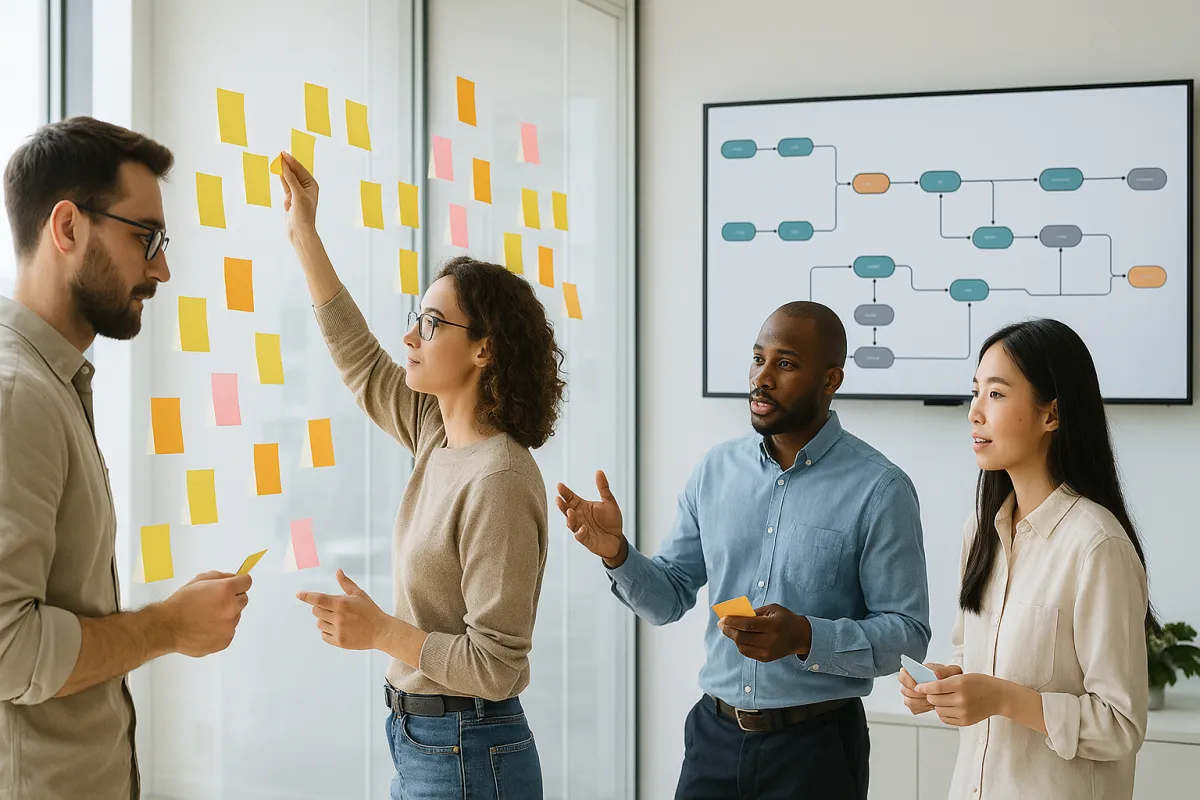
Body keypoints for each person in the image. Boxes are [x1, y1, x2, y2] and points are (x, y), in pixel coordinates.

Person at [558, 301, 930, 799]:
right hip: (713, 740)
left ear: (831, 379)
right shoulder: (715, 471)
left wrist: (804, 636)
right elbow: (668, 599)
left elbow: (908, 637)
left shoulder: (880, 489)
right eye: (758, 358)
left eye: (786, 363)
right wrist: (618, 554)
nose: (762, 378)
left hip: (816, 751)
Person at [279, 152, 563, 800]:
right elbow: (358, 357)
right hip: (426, 742)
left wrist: (380, 631)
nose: (411, 335)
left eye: (432, 324)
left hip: (470, 750)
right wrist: (305, 235)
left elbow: (495, 665)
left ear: (484, 349)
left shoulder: (498, 479)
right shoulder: (437, 434)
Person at [0, 117, 252, 799]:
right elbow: (7, 649)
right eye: (146, 237)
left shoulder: (53, 384)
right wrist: (169, 626)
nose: (162, 267)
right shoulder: (18, 396)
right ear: (68, 228)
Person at [898, 319, 1152, 799]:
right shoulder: (982, 531)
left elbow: (1120, 725)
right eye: (975, 392)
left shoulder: (1097, 545)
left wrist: (1003, 699)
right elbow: (969, 650)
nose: (974, 412)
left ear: (1051, 414)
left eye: (996, 394)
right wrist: (947, 681)